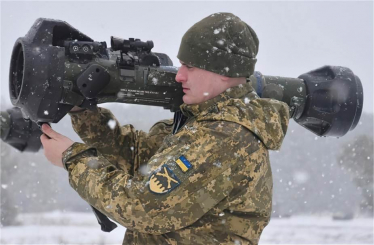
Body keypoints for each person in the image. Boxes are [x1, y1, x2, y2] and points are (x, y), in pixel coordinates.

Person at [41, 12, 289, 245]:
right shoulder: (200, 124)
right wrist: (83, 111)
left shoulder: (224, 138)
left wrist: (73, 159)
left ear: (224, 72)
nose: (179, 76)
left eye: (190, 67)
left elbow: (142, 207)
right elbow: (139, 159)